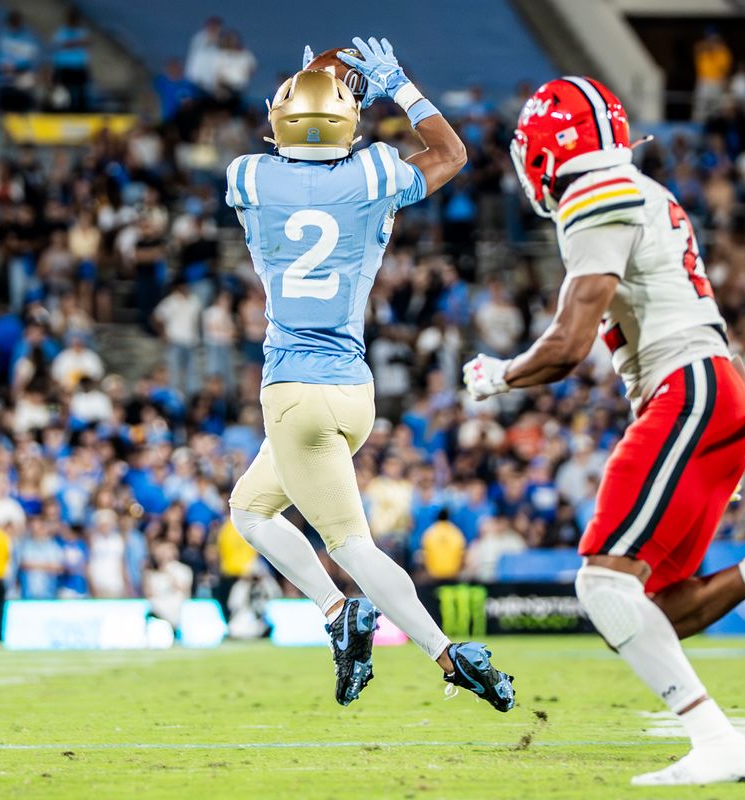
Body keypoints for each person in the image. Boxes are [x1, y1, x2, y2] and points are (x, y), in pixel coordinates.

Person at [464, 76, 745, 785]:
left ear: (545, 150)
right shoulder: (641, 192)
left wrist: (498, 375)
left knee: (601, 585)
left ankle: (717, 743)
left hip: (689, 392)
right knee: (652, 608)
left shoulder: (594, 195)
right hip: (713, 389)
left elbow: (566, 346)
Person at [225, 37, 514, 711]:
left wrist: (314, 80)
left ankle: (446, 653)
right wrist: (397, 85)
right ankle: (336, 611)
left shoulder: (249, 177)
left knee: (351, 545)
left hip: (294, 393)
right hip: (352, 392)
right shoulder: (373, 173)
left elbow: (289, 135)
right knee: (249, 508)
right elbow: (450, 155)